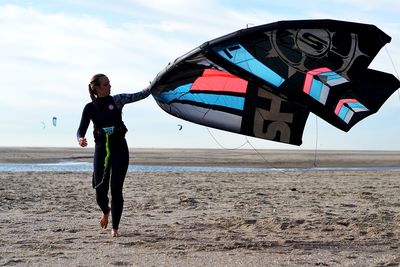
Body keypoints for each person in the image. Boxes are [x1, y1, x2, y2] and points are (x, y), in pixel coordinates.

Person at [77, 73, 150, 237]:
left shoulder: (117, 100)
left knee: (116, 189)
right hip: (101, 149)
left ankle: (115, 228)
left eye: (109, 83)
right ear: (96, 88)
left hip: (119, 148)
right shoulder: (90, 107)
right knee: (99, 191)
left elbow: (141, 95)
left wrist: (155, 84)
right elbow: (81, 128)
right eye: (106, 84)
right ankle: (106, 211)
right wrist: (80, 138)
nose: (110, 86)